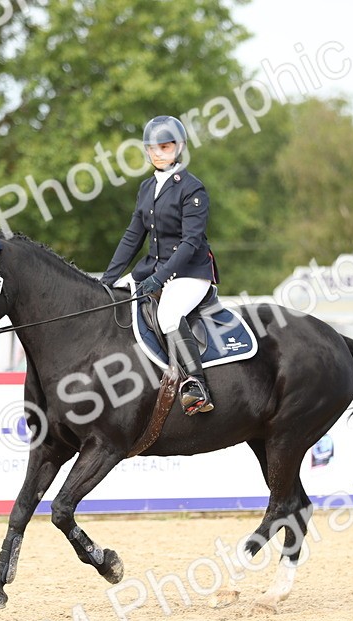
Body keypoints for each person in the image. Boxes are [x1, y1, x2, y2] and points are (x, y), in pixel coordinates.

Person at [100, 115, 219, 416]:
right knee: (115, 299)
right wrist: (107, 279)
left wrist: (161, 278)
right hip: (152, 270)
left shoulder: (192, 189)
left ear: (178, 148)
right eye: (152, 148)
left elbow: (191, 242)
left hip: (190, 273)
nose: (157, 154)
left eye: (164, 147)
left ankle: (197, 384)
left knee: (168, 313)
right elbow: (132, 237)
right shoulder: (146, 188)